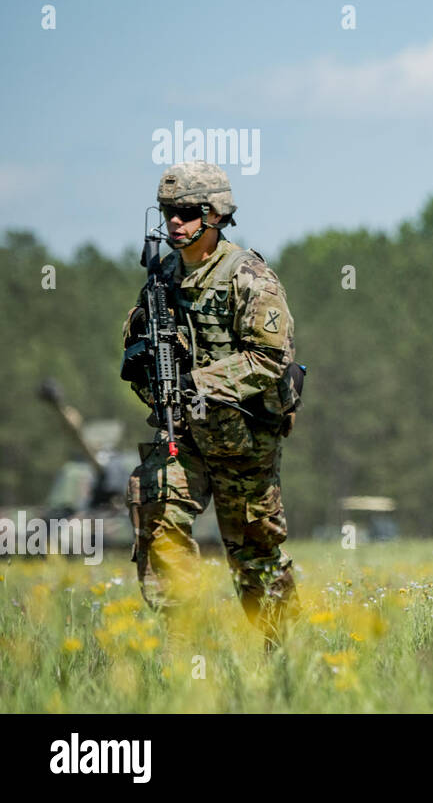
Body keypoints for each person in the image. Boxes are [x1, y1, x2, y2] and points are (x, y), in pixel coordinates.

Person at [121, 161, 301, 648]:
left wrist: (196, 379)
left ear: (214, 214)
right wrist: (142, 358)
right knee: (155, 511)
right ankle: (184, 643)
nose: (174, 222)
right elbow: (140, 338)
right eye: (167, 212)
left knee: (256, 557)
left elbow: (269, 357)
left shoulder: (248, 276)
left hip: (243, 441)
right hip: (186, 436)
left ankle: (283, 658)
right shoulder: (163, 276)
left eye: (185, 212)